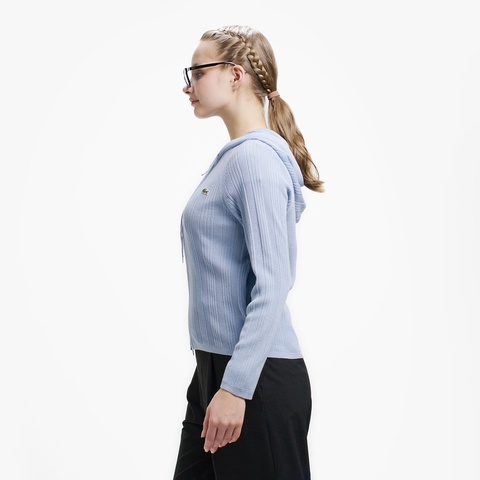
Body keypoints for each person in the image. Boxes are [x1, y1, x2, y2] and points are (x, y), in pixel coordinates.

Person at [173, 25, 324, 480]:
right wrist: (217, 383)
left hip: (252, 379)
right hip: (216, 371)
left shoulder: (255, 161)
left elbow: (273, 283)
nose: (188, 85)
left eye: (197, 72)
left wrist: (236, 387)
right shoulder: (235, 159)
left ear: (235, 74)